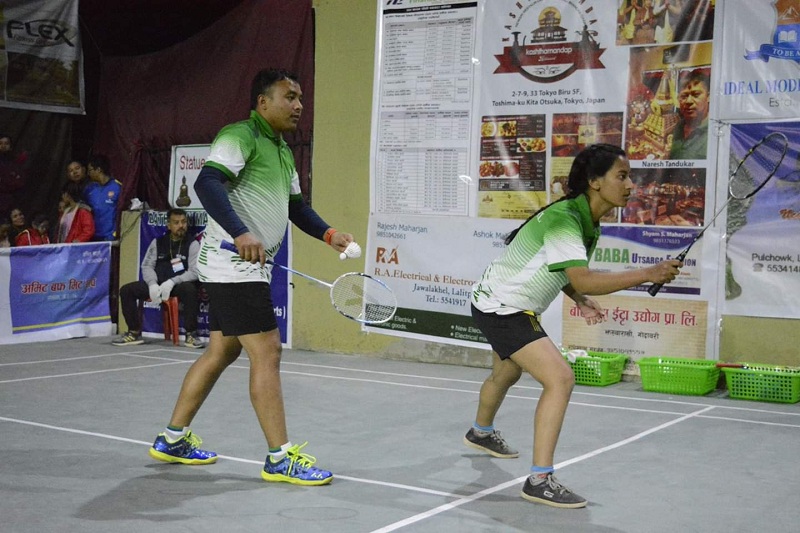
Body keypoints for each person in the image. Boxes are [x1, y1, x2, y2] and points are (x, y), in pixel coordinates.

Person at [147, 68, 355, 487]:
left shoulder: (282, 150)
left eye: (300, 98)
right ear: (263, 102)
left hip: (245, 267)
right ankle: (279, 458)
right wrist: (241, 232)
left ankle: (172, 439)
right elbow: (207, 183)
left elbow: (296, 207)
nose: (299, 105)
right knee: (268, 351)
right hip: (233, 264)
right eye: (289, 97)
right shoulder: (240, 135)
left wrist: (329, 234)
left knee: (221, 351)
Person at [466, 144, 682, 509]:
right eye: (622, 176)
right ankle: (539, 480)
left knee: (507, 372)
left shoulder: (587, 220)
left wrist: (577, 298)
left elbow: (562, 271)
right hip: (503, 307)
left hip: (495, 300)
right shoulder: (566, 219)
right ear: (595, 182)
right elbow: (583, 278)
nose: (630, 185)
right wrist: (649, 272)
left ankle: (480, 432)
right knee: (560, 378)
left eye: (630, 177)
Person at [112, 208, 204, 348]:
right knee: (126, 290)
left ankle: (191, 335)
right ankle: (133, 332)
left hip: (178, 285)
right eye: (176, 223)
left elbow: (195, 271)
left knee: (190, 289)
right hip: (158, 284)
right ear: (168, 225)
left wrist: (172, 282)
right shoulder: (158, 242)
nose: (181, 226)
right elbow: (147, 266)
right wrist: (152, 284)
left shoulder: (193, 244)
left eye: (184, 222)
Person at [669, 70, 710, 160]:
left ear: (708, 96)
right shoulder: (676, 128)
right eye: (684, 96)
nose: (688, 101)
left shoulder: (715, 132)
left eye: (696, 95)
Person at [84, 154, 122, 241]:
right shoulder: (89, 189)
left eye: (90, 170)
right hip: (92, 238)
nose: (88, 174)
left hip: (110, 238)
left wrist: (115, 233)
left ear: (98, 170)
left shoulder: (118, 187)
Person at [0, 134, 27, 223]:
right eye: (1, 143)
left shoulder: (15, 163)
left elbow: (19, 183)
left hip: (11, 203)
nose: (3, 146)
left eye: (6, 143)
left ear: (11, 146)